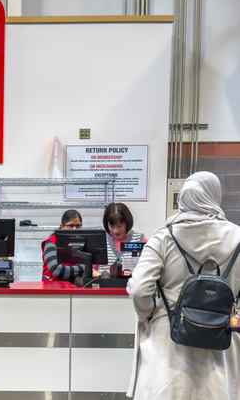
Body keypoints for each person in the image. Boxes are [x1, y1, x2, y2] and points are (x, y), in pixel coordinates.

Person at [126, 171, 240, 399]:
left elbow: (139, 288)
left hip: (169, 341)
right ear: (215, 195)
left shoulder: (164, 237)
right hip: (222, 338)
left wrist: (148, 312)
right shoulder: (238, 236)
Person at [41, 209, 87, 283]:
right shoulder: (51, 243)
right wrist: (82, 268)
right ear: (62, 226)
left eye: (78, 226)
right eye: (71, 226)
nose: (74, 229)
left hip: (74, 288)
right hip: (52, 289)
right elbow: (57, 270)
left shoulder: (82, 244)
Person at [102, 202, 146, 274]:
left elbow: (149, 265)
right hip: (104, 283)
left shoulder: (139, 239)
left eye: (120, 226)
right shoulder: (101, 239)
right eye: (112, 226)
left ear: (127, 222)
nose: (116, 230)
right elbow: (91, 269)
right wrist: (103, 274)